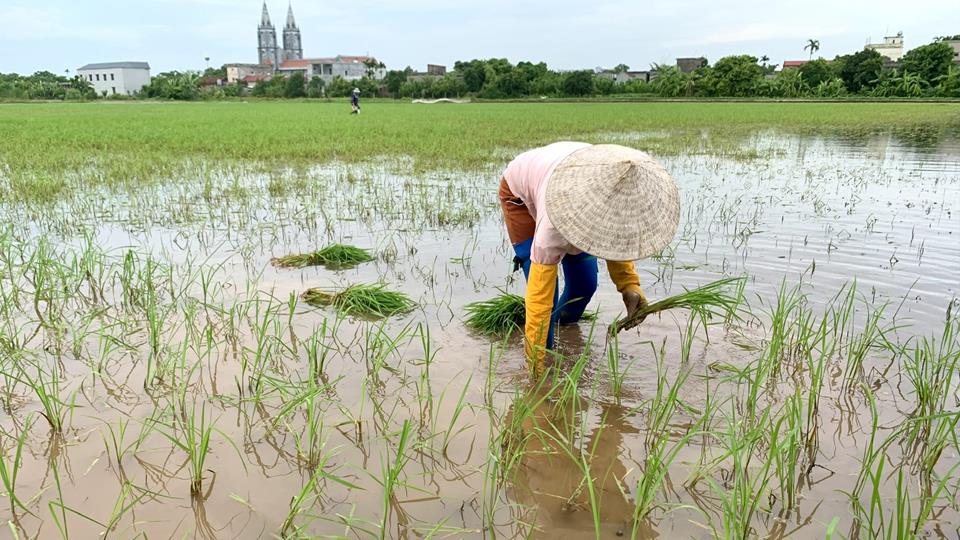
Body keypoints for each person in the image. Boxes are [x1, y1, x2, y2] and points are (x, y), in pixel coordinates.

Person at [498, 142, 680, 378]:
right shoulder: (551, 230)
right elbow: (539, 302)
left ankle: (565, 326)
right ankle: (545, 353)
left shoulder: (616, 189)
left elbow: (614, 237)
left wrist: (629, 285)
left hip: (571, 173)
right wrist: (536, 374)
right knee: (547, 300)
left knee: (584, 286)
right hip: (520, 193)